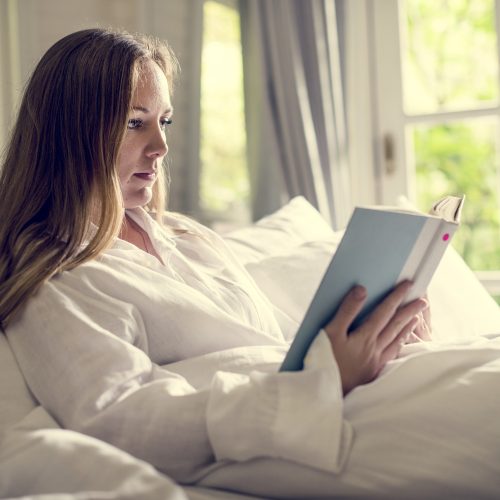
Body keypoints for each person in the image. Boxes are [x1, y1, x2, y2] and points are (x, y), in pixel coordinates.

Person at [0, 28, 433, 486]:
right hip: (301, 430)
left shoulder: (188, 237)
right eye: (135, 122)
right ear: (71, 132)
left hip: (340, 396)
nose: (161, 147)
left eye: (163, 121)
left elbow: (273, 340)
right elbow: (119, 417)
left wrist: (379, 340)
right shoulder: (55, 277)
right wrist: (322, 384)